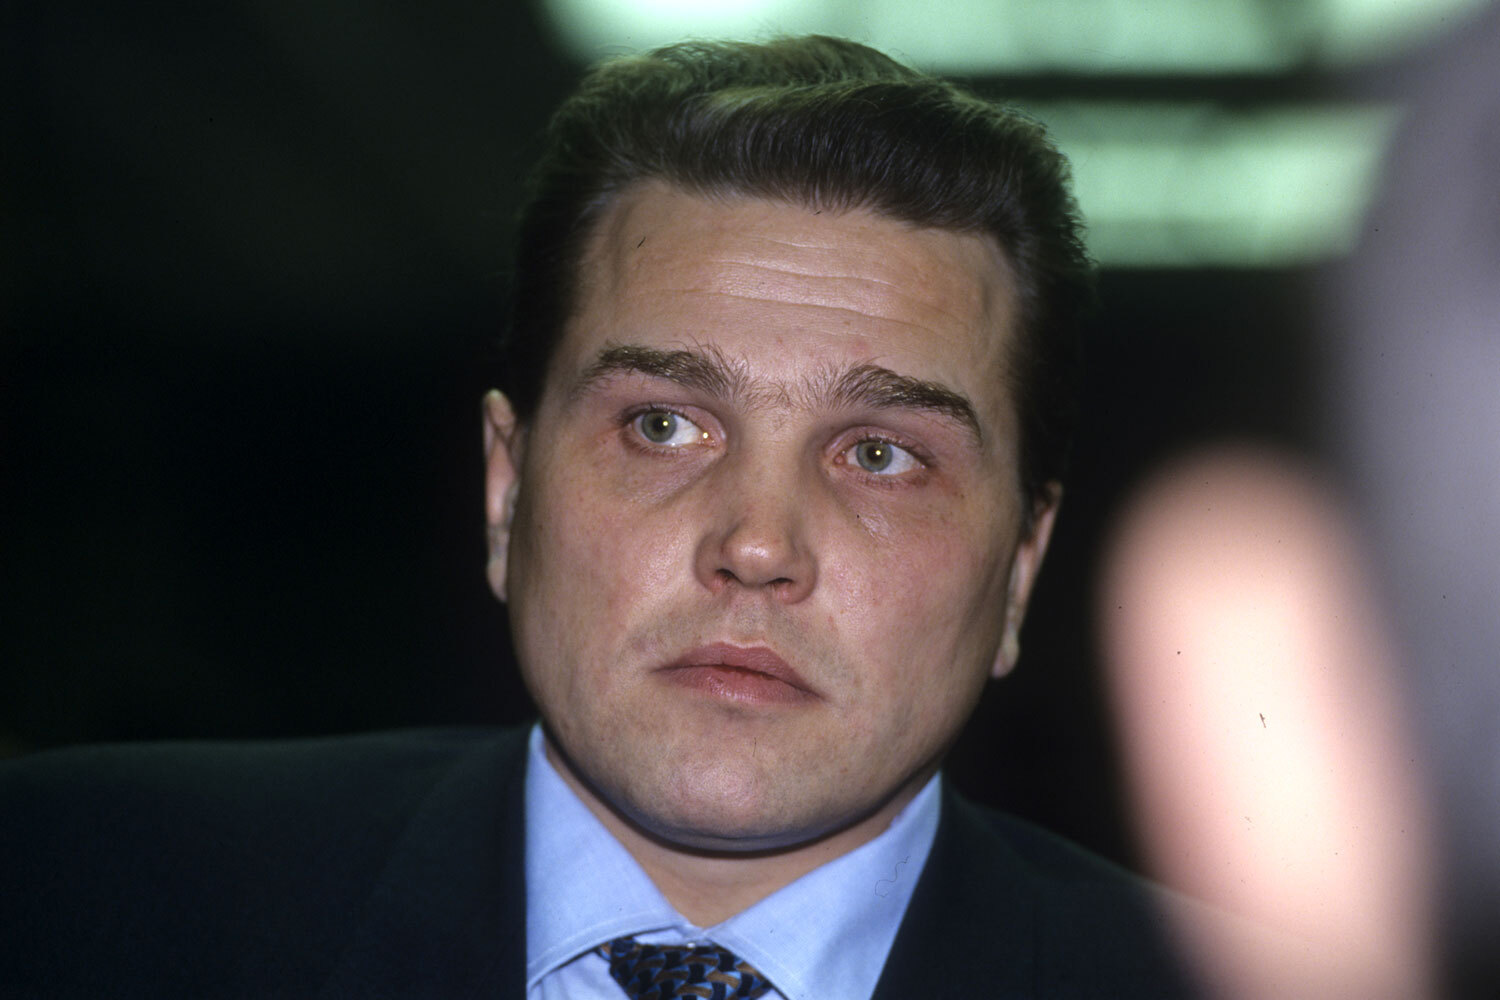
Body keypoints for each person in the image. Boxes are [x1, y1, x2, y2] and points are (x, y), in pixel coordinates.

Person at [1, 36, 1205, 998]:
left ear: (1019, 571)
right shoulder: (71, 897)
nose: (757, 546)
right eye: (663, 425)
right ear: (506, 490)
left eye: (880, 455)